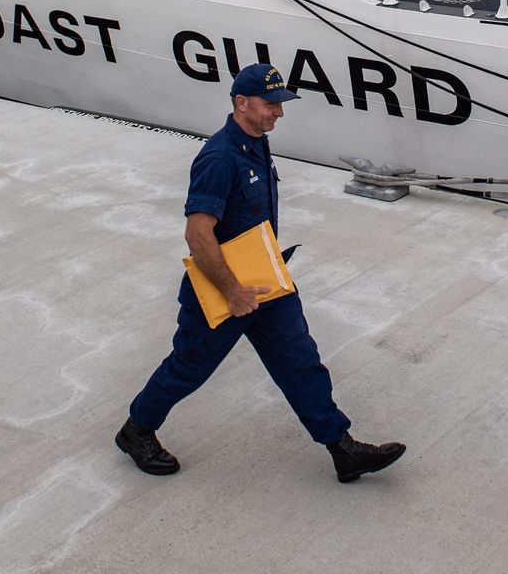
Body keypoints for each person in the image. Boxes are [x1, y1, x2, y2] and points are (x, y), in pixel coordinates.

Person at [117, 62, 406, 483]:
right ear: (241, 103)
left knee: (301, 362)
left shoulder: (256, 142)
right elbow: (198, 235)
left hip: (267, 281)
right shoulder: (218, 158)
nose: (279, 113)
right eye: (271, 105)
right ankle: (136, 430)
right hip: (224, 289)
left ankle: (341, 448)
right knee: (188, 367)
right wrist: (233, 291)